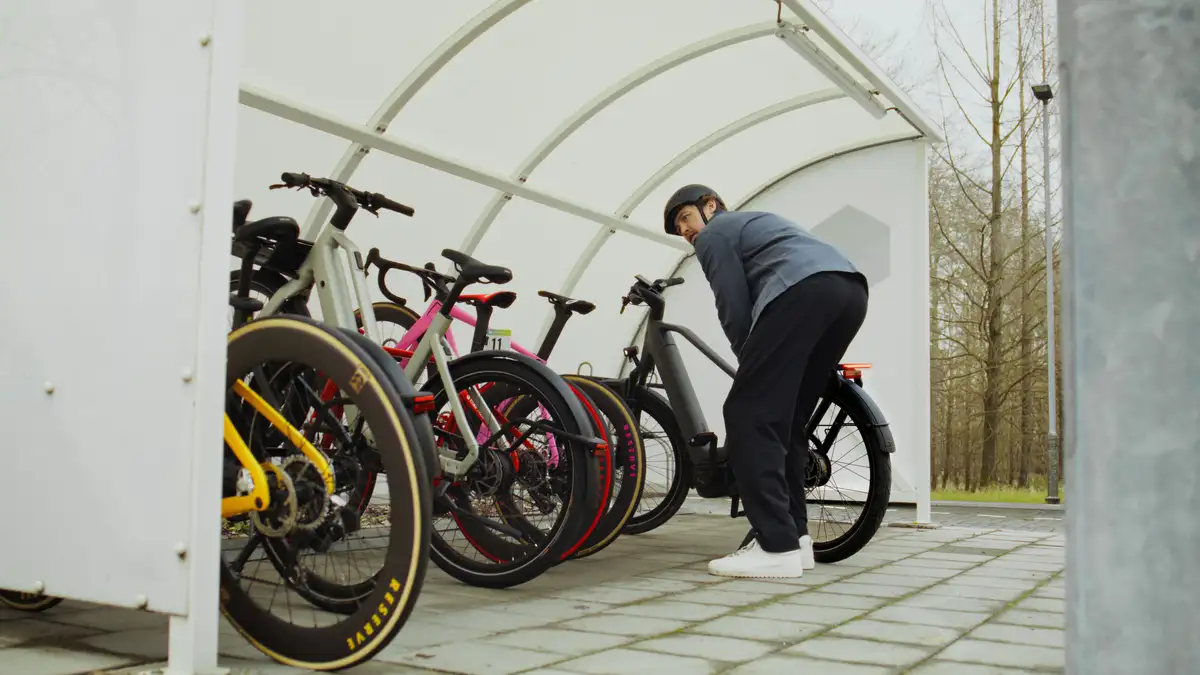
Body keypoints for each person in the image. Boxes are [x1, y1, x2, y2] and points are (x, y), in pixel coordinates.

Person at [663, 184, 869, 579]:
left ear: (710, 206)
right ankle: (797, 539)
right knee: (787, 422)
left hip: (802, 291)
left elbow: (733, 306)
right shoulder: (755, 223)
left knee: (748, 412)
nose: (685, 230)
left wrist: (752, 365)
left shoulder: (715, 234)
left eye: (685, 218)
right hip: (849, 291)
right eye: (678, 228)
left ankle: (776, 546)